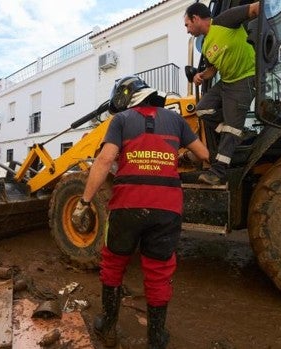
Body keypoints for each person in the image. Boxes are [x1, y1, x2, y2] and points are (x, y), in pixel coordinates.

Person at [72, 76, 209, 348]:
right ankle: (156, 337)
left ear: (126, 99)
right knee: (158, 270)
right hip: (167, 209)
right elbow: (203, 154)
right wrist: (177, 158)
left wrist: (85, 201)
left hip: (126, 207)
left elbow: (106, 159)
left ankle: (108, 326)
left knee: (113, 263)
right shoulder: (177, 121)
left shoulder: (121, 121)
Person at [184, 1, 260, 185]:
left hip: (245, 78)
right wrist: (200, 76)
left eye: (187, 25)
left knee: (231, 128)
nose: (187, 30)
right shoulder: (206, 43)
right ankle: (236, 133)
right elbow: (213, 69)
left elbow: (256, 8)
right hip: (226, 81)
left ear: (196, 18)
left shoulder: (225, 20)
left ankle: (217, 172)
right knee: (202, 109)